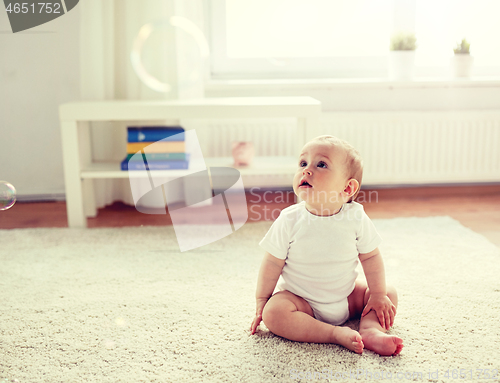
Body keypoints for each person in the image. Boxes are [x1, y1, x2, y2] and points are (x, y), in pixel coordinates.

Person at [249, 135, 403, 356]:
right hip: (302, 302)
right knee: (274, 313)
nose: (307, 170)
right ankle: (332, 334)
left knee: (387, 293)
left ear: (348, 189)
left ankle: (370, 329)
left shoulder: (356, 217)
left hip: (347, 297)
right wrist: (262, 300)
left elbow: (370, 257)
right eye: (303, 163)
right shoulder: (289, 219)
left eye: (321, 164)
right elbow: (272, 262)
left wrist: (377, 294)